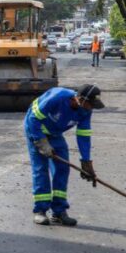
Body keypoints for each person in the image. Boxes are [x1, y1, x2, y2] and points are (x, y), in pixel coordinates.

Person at [25, 85, 104, 226]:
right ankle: (40, 211)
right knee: (41, 169)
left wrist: (86, 161)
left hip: (55, 134)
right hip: (36, 131)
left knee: (62, 168)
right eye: (90, 104)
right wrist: (41, 141)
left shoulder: (86, 110)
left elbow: (83, 135)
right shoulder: (57, 97)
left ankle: (59, 211)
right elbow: (33, 119)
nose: (91, 108)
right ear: (79, 99)